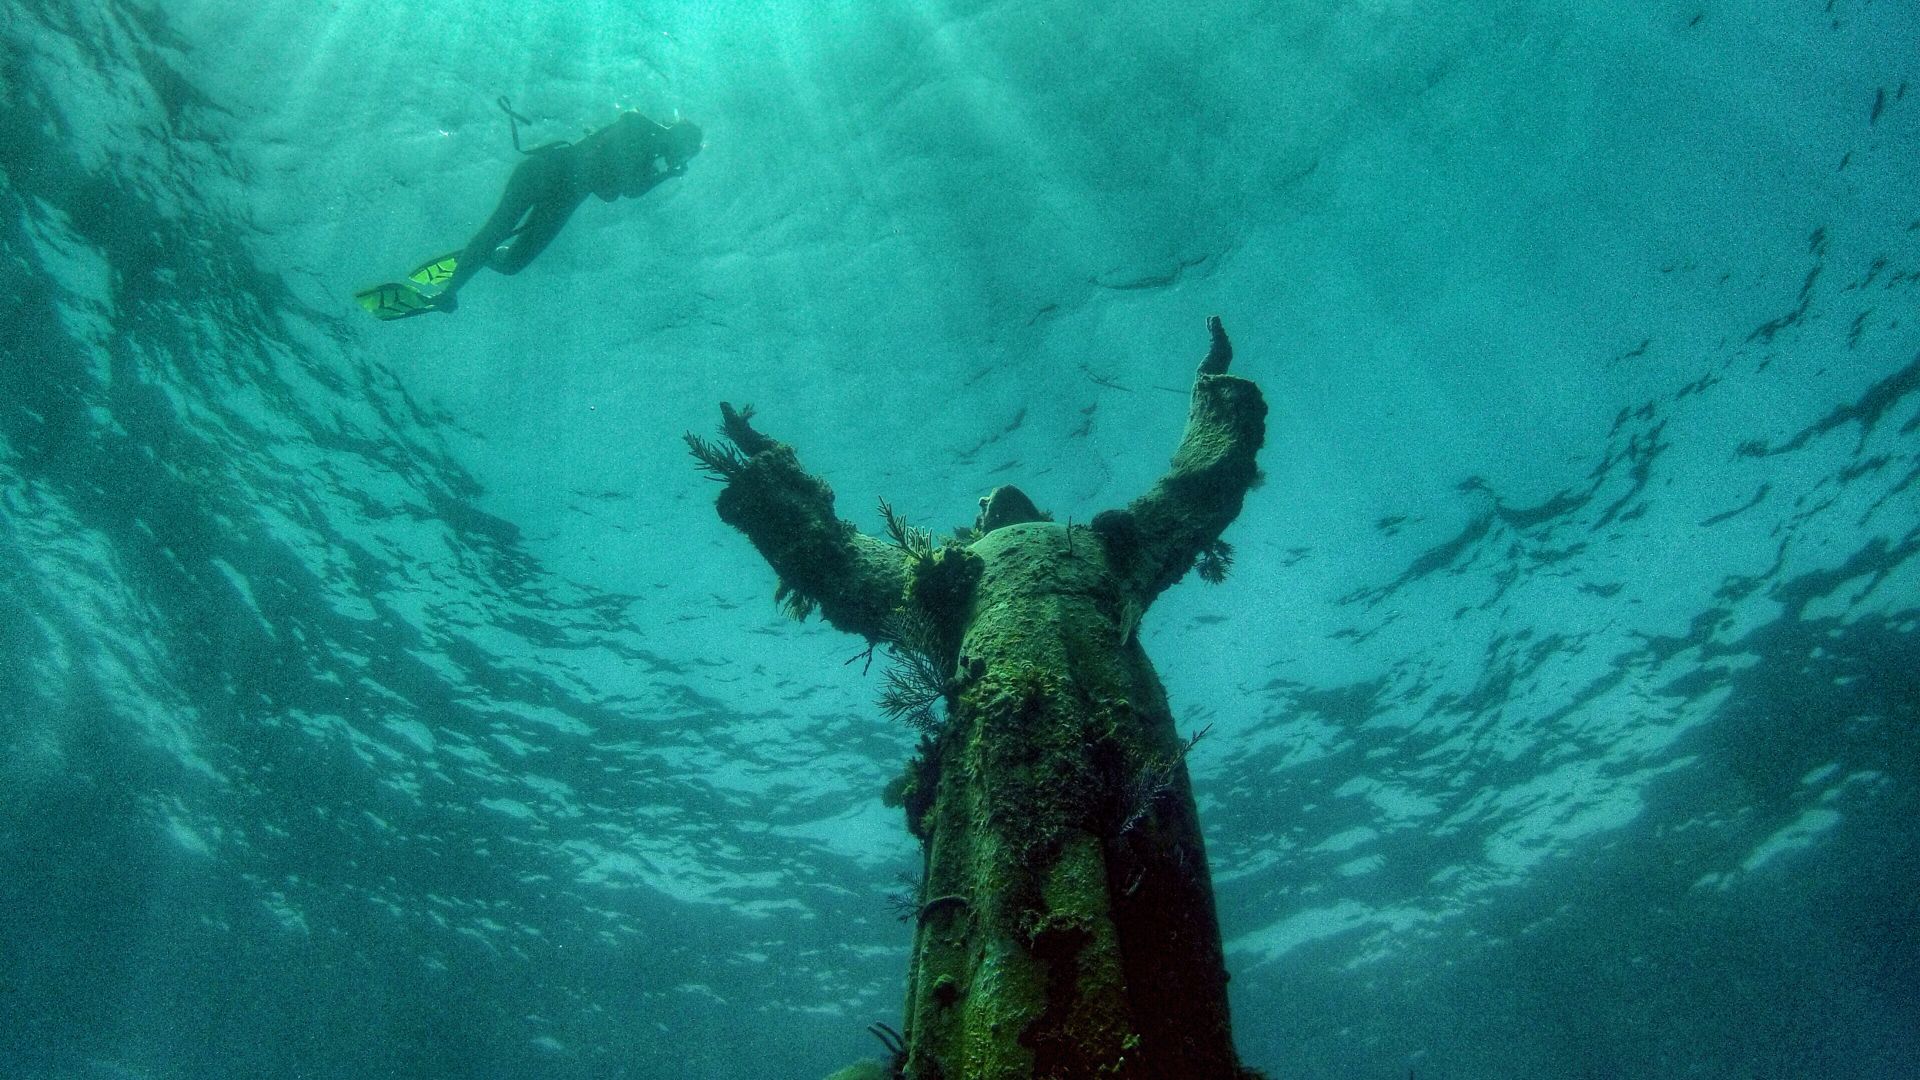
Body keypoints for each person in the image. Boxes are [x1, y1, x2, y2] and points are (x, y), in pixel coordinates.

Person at [356, 109, 701, 320]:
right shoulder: (641, 126)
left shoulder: (650, 156)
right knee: (497, 228)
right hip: (545, 173)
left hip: (562, 199)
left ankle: (476, 257)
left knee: (511, 264)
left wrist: (666, 174)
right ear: (680, 137)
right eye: (684, 152)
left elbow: (624, 190)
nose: (678, 159)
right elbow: (616, 183)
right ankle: (450, 289)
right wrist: (659, 164)